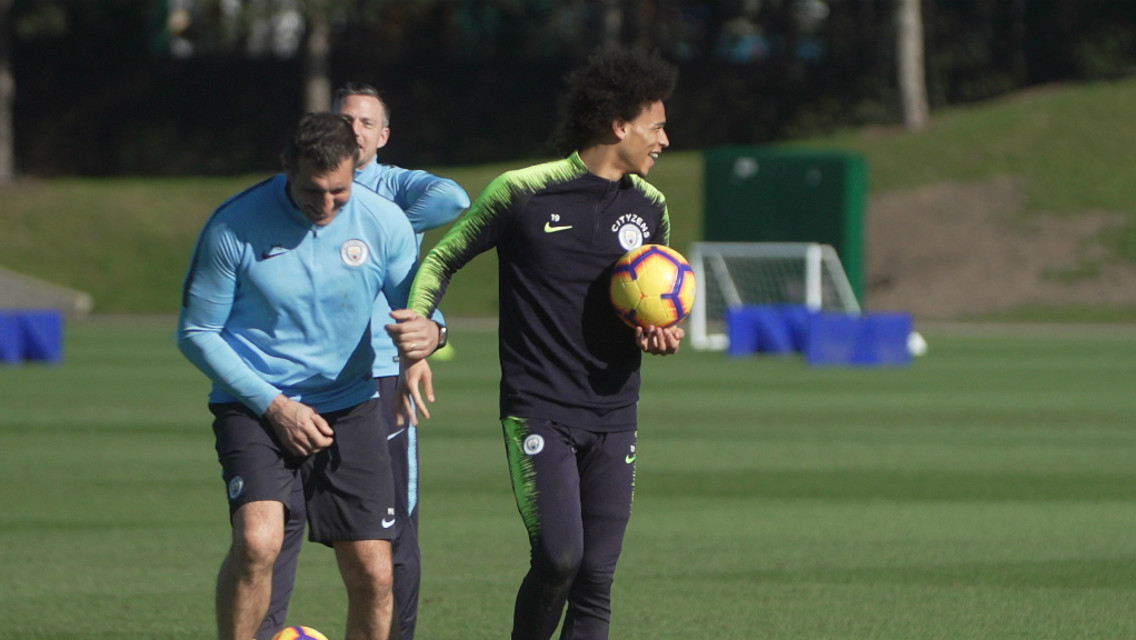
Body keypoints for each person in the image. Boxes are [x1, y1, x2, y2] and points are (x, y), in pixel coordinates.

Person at [387, 46, 682, 640]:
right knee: (560, 559)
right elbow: (442, 257)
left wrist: (660, 332)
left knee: (597, 576)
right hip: (538, 406)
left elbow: (651, 304)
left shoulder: (651, 209)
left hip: (615, 411)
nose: (665, 140)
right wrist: (416, 332)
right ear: (618, 125)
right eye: (657, 126)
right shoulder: (523, 192)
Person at [178, 111, 426, 640]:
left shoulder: (384, 222)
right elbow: (197, 332)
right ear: (286, 167)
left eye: (339, 191)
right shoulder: (234, 225)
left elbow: (418, 310)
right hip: (257, 404)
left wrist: (428, 342)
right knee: (258, 542)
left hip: (351, 403)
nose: (327, 205)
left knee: (375, 573)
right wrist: (275, 406)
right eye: (313, 191)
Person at [260, 83, 469, 640]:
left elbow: (454, 199)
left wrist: (375, 208)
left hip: (379, 370)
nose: (354, 129)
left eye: (365, 123)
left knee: (390, 529)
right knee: (275, 526)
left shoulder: (390, 189)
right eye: (344, 119)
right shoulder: (307, 191)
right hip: (299, 375)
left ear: (382, 136)